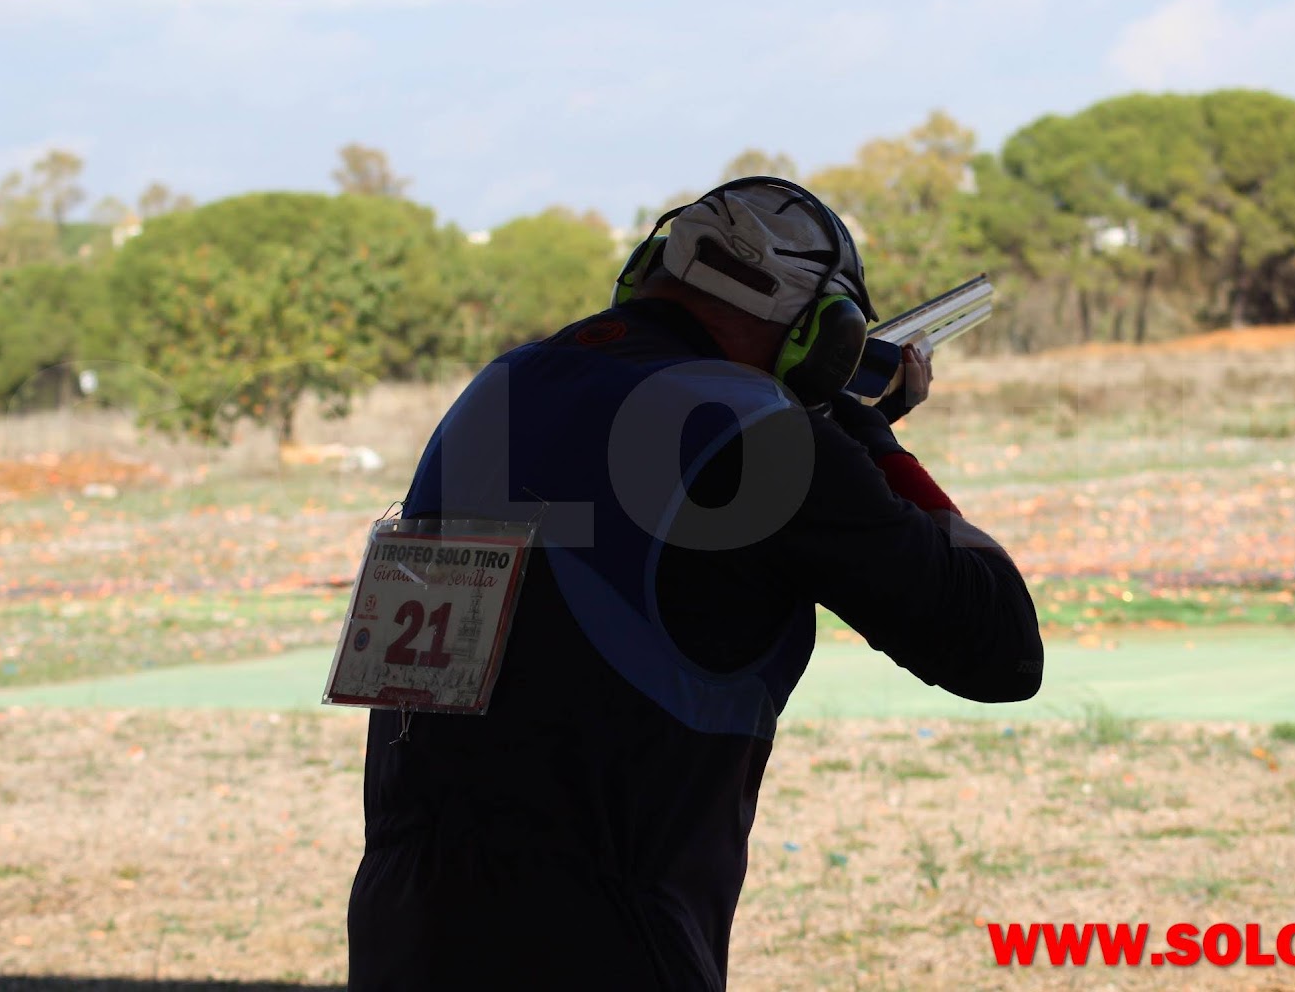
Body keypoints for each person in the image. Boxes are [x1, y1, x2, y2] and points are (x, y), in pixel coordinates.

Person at [346, 176, 1043, 990]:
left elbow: (630, 505)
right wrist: (862, 438)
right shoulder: (767, 437)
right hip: (604, 936)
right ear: (825, 336)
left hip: (404, 920)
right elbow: (1000, 651)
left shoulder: (505, 385)